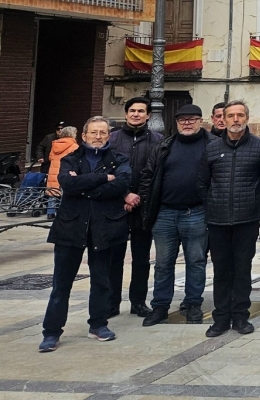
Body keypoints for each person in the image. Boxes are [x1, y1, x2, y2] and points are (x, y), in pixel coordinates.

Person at [38, 117, 131, 352]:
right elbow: (67, 186)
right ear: (84, 136)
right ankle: (51, 332)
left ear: (109, 135)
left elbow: (121, 184)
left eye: (103, 132)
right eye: (93, 133)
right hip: (71, 227)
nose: (98, 136)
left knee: (101, 281)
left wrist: (84, 185)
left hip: (104, 228)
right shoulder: (70, 158)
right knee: (61, 284)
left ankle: (98, 325)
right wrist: (102, 178)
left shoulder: (119, 159)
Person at [199, 99, 260, 338]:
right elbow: (202, 183)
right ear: (223, 119)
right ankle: (220, 318)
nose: (234, 120)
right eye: (230, 115)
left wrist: (253, 205)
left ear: (246, 118)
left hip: (247, 221)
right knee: (221, 271)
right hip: (218, 221)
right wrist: (213, 204)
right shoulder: (211, 148)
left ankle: (241, 316)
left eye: (239, 115)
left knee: (242, 269)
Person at [139, 105, 212, 326]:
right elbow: (147, 176)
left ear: (201, 121)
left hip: (197, 212)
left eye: (192, 119)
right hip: (165, 214)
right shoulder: (164, 146)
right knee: (162, 263)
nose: (187, 123)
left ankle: (193, 305)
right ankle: (160, 307)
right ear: (176, 123)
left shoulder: (212, 145)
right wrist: (146, 199)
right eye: (182, 120)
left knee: (196, 261)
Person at [106, 96, 161, 319]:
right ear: (126, 113)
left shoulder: (158, 140)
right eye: (132, 111)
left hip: (143, 207)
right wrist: (124, 196)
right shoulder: (112, 139)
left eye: (141, 111)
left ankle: (138, 301)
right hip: (115, 206)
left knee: (141, 258)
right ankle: (111, 302)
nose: (136, 114)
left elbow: (158, 174)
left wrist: (140, 198)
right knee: (114, 257)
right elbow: (105, 171)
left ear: (148, 115)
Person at [46, 126, 79, 220]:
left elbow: (50, 158)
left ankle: (50, 212)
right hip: (64, 171)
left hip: (53, 171)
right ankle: (62, 212)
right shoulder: (74, 146)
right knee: (64, 192)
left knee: (53, 191)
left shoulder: (55, 144)